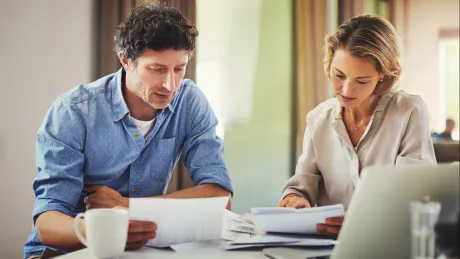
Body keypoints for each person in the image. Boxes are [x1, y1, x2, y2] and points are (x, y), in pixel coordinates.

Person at [24, 4, 233, 259]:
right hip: (65, 252)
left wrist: (127, 207)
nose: (170, 85)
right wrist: (103, 229)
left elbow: (219, 198)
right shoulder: (73, 111)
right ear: (125, 60)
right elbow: (47, 224)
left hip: (143, 251)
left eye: (179, 69)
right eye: (157, 69)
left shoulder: (189, 101)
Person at [277, 15, 436, 235]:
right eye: (339, 75)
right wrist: (295, 198)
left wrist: (359, 219)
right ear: (329, 64)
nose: (346, 90)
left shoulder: (409, 111)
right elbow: (303, 182)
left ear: (382, 75)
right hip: (325, 246)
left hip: (386, 241)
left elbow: (413, 190)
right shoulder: (318, 118)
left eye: (361, 81)